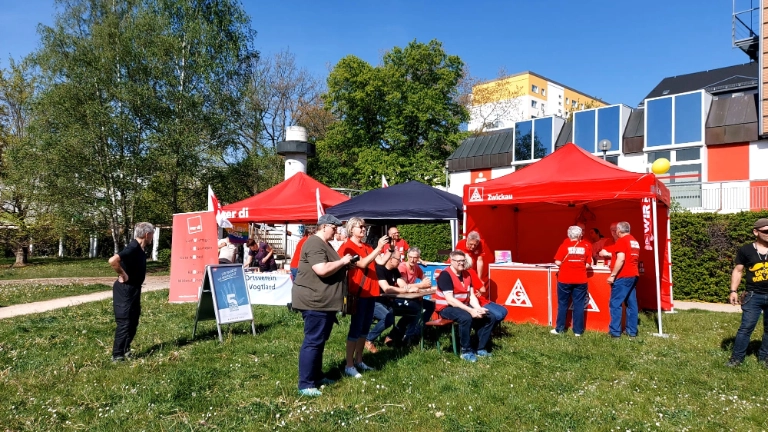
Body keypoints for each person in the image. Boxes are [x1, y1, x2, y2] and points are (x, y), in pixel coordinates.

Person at [292, 214, 352, 397]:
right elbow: (321, 269)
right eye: (334, 228)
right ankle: (306, 384)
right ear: (324, 226)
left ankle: (316, 376)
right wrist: (342, 261)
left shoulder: (323, 244)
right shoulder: (314, 243)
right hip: (315, 301)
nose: (336, 231)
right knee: (313, 341)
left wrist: (345, 264)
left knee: (319, 341)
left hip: (323, 302)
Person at [338, 217, 391, 378]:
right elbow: (362, 264)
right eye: (360, 227)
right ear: (351, 229)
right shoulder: (348, 247)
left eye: (364, 227)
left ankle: (359, 360)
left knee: (364, 329)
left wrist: (389, 252)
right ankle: (349, 364)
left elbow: (380, 261)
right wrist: (379, 248)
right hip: (359, 293)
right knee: (356, 328)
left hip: (371, 292)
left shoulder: (367, 246)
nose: (363, 229)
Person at [434, 250, 499, 362]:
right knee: (466, 318)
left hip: (463, 305)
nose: (461, 263)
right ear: (451, 261)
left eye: (463, 261)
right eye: (458, 261)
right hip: (446, 307)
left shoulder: (467, 274)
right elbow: (450, 300)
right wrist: (471, 311)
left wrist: (477, 308)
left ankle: (480, 348)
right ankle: (466, 351)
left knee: (490, 317)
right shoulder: (445, 275)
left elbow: (472, 296)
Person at [108, 222, 154, 362]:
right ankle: (117, 356)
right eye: (152, 234)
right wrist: (123, 274)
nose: (152, 237)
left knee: (133, 321)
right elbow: (113, 260)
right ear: (147, 235)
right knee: (125, 321)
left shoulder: (139, 248)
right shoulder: (133, 247)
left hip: (134, 289)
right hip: (125, 290)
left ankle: (126, 349)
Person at [727, 218, 768, 367]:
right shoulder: (746, 250)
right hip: (753, 295)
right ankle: (737, 359)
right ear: (755, 232)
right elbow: (738, 271)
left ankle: (765, 359)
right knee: (746, 327)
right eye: (765, 231)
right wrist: (733, 291)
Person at [600, 221, 640, 338]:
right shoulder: (634, 241)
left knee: (615, 304)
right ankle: (631, 331)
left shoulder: (622, 241)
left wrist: (613, 275)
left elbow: (621, 259)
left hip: (623, 276)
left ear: (618, 231)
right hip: (633, 275)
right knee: (631, 304)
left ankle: (615, 332)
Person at [551, 226, 592, 337]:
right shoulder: (585, 247)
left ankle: (559, 328)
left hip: (564, 279)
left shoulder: (564, 246)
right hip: (581, 280)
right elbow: (588, 264)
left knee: (563, 304)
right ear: (579, 235)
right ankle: (578, 331)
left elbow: (558, 262)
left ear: (569, 235)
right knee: (579, 305)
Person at [464, 255, 508, 322]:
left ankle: (489, 329)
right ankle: (486, 329)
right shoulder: (471, 271)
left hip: (470, 300)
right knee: (501, 313)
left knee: (502, 312)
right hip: (478, 300)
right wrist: (480, 291)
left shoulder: (457, 273)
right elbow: (483, 289)